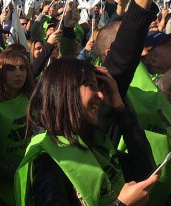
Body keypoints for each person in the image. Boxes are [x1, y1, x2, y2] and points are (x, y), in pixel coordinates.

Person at [15, 59, 158, 206]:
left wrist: (120, 108)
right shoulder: (46, 158)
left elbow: (144, 170)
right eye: (91, 86)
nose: (101, 96)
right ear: (66, 90)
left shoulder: (93, 140)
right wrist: (121, 204)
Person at [0, 45, 36, 206]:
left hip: (37, 185)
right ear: (0, 72)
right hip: (6, 190)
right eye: (11, 68)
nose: (18, 73)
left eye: (22, 68)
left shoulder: (33, 98)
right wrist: (25, 169)